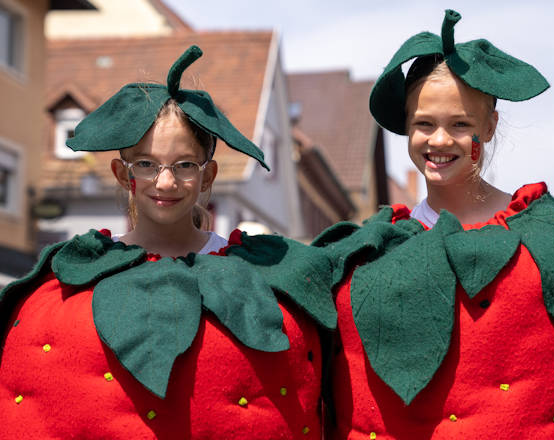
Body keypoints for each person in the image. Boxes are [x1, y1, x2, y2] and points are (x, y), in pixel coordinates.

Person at [315, 9, 554, 440]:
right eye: (424, 125)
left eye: (460, 124)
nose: (439, 140)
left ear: (489, 126)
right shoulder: (368, 253)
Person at [0, 46, 332, 439]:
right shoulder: (74, 274)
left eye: (184, 165)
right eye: (147, 164)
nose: (166, 182)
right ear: (123, 175)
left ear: (207, 176)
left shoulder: (260, 272)